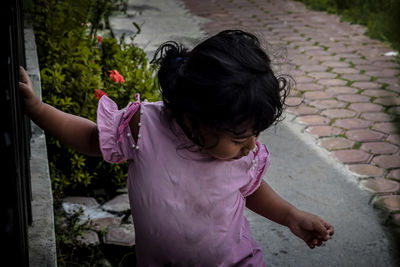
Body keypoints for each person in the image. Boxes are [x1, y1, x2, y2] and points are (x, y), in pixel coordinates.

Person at [20, 30, 334, 266]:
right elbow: (91, 137)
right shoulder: (146, 127)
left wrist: (292, 216)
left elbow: (250, 190)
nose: (251, 145)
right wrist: (38, 110)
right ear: (194, 119)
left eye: (254, 134)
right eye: (240, 139)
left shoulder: (242, 152)